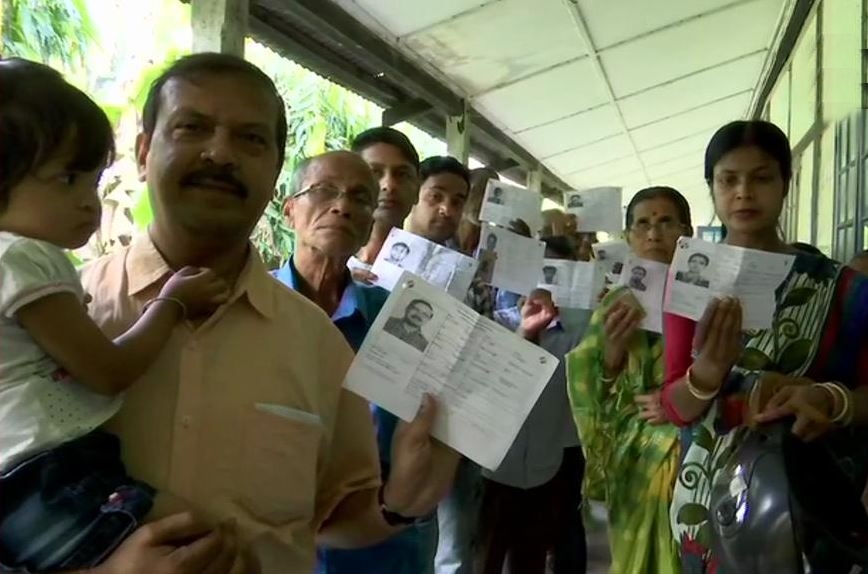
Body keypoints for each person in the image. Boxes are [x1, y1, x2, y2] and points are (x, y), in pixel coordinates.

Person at [80, 52, 459, 574]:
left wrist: (400, 504)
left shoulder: (319, 344)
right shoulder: (61, 316)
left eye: (251, 139)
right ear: (144, 152)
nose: (220, 153)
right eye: (192, 127)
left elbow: (336, 517)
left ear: (275, 172)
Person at [0, 58, 234, 573]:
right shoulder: (22, 258)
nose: (91, 203)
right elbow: (107, 372)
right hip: (43, 471)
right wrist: (169, 304)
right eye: (67, 180)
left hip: (25, 475)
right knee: (200, 541)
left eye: (93, 181)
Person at [662, 120, 868, 573]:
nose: (743, 193)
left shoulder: (845, 289)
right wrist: (708, 372)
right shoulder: (691, 281)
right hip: (707, 505)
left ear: (785, 184)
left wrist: (831, 400)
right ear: (712, 188)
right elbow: (675, 406)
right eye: (728, 179)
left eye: (761, 178)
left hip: (808, 504)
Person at [273, 150, 440, 574]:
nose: (343, 205)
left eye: (359, 198)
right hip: (272, 547)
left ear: (369, 224)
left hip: (381, 546)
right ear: (290, 209)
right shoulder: (249, 307)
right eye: (324, 191)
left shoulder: (398, 319)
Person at [567, 186, 693, 573]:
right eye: (643, 224)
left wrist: (680, 400)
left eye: (665, 222)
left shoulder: (705, 298)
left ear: (686, 232)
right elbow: (586, 379)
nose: (654, 233)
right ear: (629, 237)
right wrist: (612, 353)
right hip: (634, 461)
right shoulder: (615, 303)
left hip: (690, 447)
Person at [475, 236, 590, 574]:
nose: (543, 287)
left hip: (547, 466)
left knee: (531, 555)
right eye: (535, 274)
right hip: (494, 467)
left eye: (555, 275)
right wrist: (525, 334)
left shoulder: (579, 329)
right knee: (486, 554)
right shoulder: (497, 323)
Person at [351, 127, 420, 272]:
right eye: (375, 172)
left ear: (417, 190)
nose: (389, 185)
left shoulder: (431, 276)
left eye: (402, 174)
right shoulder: (322, 265)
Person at [458, 168, 499, 255]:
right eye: (477, 191)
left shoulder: (494, 242)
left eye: (490, 195)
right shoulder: (441, 235)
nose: (483, 201)